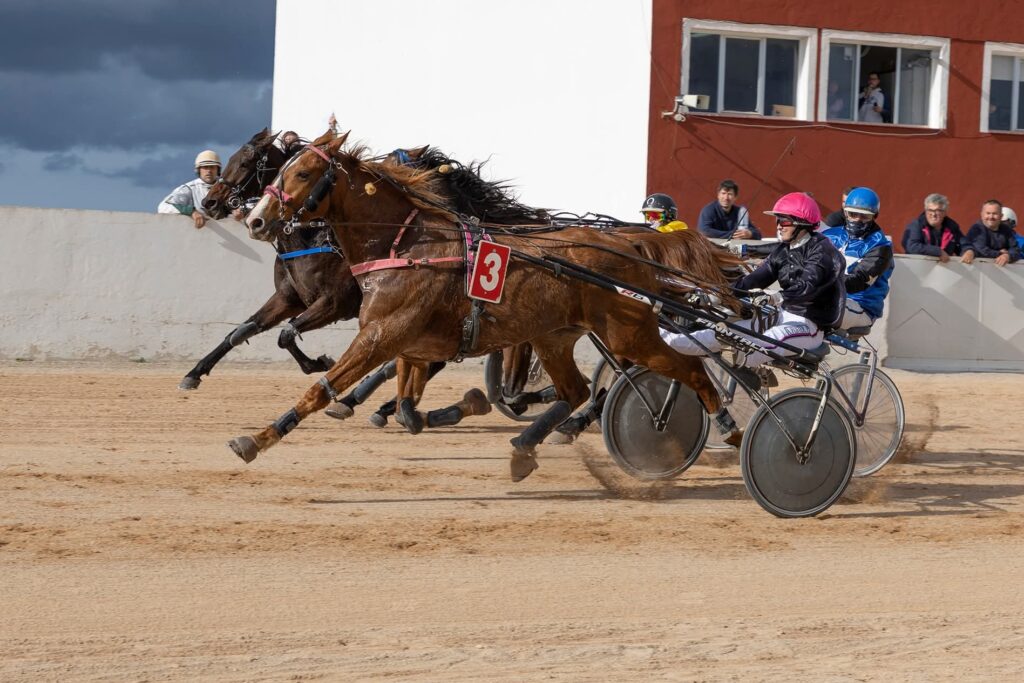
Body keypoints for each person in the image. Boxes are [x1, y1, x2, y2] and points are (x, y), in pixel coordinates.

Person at [661, 192, 843, 443]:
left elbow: (806, 287)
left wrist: (775, 297)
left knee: (761, 340)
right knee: (722, 330)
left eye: (785, 221)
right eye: (778, 220)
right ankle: (667, 338)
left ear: (801, 225)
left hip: (808, 324)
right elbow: (752, 281)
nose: (779, 225)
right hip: (779, 316)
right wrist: (718, 296)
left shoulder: (823, 252)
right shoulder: (783, 250)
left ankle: (750, 365)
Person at [822, 187, 894, 330]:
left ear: (875, 216)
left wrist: (817, 278)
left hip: (861, 306)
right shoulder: (830, 235)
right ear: (845, 212)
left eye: (864, 216)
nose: (857, 220)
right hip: (828, 298)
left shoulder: (880, 247)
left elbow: (857, 281)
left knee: (812, 303)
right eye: (853, 214)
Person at [157, 150, 221, 229]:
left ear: (217, 169)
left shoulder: (228, 187)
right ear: (199, 170)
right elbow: (163, 207)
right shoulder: (189, 188)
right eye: (205, 167)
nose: (209, 171)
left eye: (212, 167)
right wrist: (191, 212)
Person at [901, 194, 963, 262]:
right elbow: (911, 246)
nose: (933, 214)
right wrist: (938, 251)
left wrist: (968, 250)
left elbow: (963, 244)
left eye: (938, 210)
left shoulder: (952, 228)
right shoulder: (917, 225)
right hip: (919, 269)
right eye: (930, 210)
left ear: (945, 213)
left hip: (945, 270)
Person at [962, 199, 1022, 266]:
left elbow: (1015, 249)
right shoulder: (977, 229)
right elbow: (981, 250)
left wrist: (1008, 256)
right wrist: (1000, 253)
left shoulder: (1006, 230)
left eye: (995, 214)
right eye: (988, 213)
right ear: (981, 214)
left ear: (1001, 216)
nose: (991, 217)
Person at [696, 179, 762, 239]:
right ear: (718, 195)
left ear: (735, 197)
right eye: (723, 193)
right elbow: (704, 231)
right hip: (713, 248)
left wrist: (750, 234)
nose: (726, 198)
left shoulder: (740, 212)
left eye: (730, 194)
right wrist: (732, 235)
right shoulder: (709, 210)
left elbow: (758, 234)